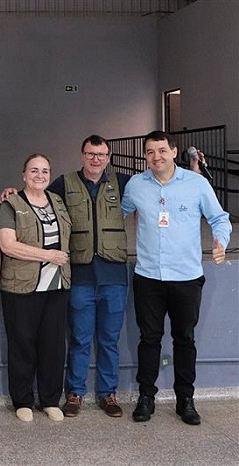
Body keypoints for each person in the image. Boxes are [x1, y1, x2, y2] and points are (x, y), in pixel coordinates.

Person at [122, 131, 231, 426]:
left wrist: (220, 241)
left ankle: (186, 399)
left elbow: (220, 218)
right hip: (148, 277)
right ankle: (146, 397)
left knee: (185, 339)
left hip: (186, 277)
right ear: (145, 157)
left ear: (173, 151)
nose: (156, 157)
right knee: (149, 339)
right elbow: (113, 211)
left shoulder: (196, 184)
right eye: (149, 152)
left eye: (161, 150)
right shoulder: (136, 185)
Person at [50, 135, 129, 418]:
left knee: (109, 339)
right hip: (80, 276)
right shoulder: (64, 183)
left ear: (108, 157)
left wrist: (193, 170)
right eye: (91, 153)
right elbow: (37, 198)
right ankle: (75, 393)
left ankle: (108, 393)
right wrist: (10, 192)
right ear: (82, 155)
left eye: (102, 154)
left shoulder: (122, 183)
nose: (96, 159)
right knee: (81, 338)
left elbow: (160, 187)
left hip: (114, 276)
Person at [0, 153, 71, 423]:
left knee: (53, 346)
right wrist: (48, 255)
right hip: (21, 287)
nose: (39, 175)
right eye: (33, 170)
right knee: (22, 345)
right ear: (23, 174)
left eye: (44, 170)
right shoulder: (11, 203)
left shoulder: (58, 202)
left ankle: (51, 400)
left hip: (56, 286)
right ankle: (23, 400)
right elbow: (8, 244)